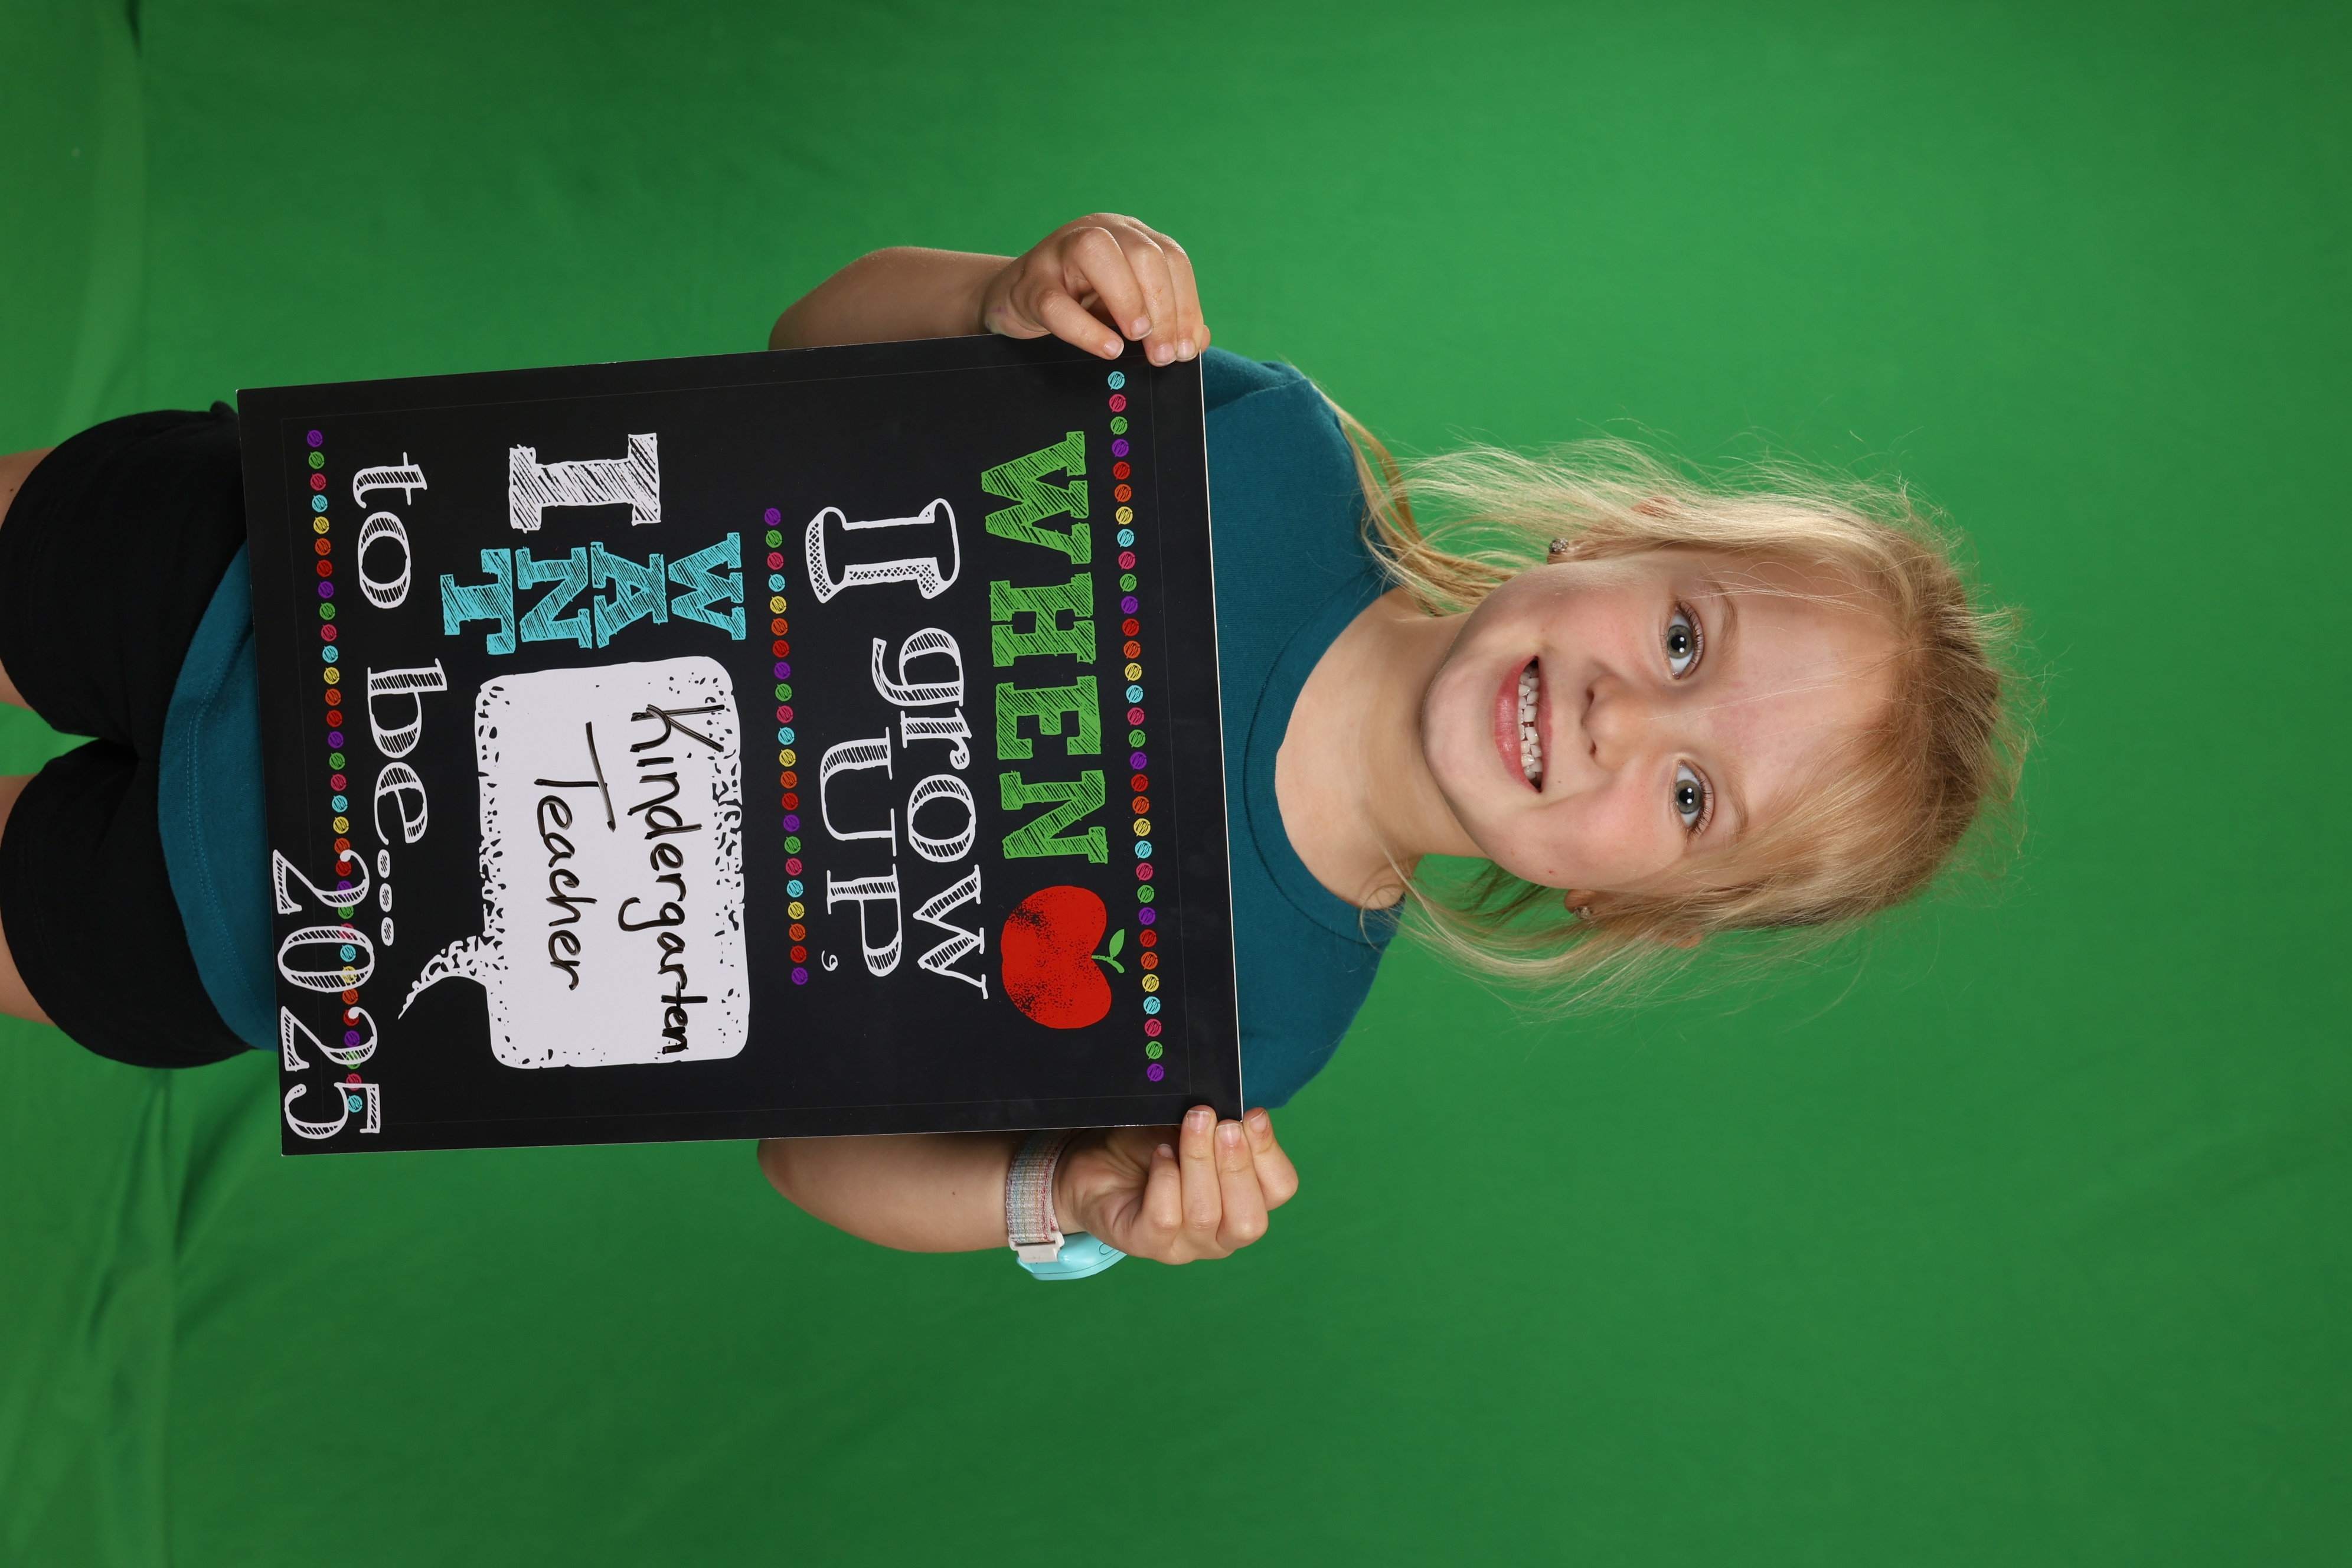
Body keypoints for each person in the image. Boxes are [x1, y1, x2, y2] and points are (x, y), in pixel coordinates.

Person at [0, 214, 2023, 1278]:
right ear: (1615, 541)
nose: (1617, 715)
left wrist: (1067, 1194)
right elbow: (813, 342)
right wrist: (1001, 292)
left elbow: (815, 1153)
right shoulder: (1261, 443)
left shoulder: (1248, 1040)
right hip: (289, 561)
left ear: (1635, 903)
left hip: (269, 941)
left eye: (1694, 792)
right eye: (1682, 637)